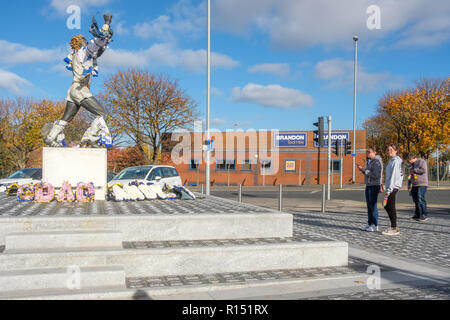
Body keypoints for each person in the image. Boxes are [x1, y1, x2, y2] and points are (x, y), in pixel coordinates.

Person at [44, 14, 114, 148]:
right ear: (83, 43)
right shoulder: (83, 52)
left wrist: (107, 37)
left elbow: (98, 51)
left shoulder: (75, 55)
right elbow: (96, 43)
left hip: (72, 91)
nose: (88, 43)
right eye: (86, 41)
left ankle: (51, 137)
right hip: (81, 90)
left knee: (66, 118)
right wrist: (107, 24)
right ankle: (91, 137)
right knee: (102, 114)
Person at [357, 146, 383, 232]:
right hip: (368, 185)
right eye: (367, 152)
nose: (368, 153)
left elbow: (375, 175)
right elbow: (368, 173)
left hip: (374, 185)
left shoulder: (377, 162)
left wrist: (365, 171)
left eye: (369, 152)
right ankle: (369, 223)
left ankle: (375, 224)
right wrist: (362, 170)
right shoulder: (370, 161)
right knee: (369, 206)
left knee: (373, 205)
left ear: (375, 152)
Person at [382, 144, 404, 235]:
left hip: (393, 187)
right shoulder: (391, 161)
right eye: (388, 149)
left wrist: (389, 190)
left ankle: (394, 228)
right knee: (386, 206)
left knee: (390, 206)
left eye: (391, 149)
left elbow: (394, 177)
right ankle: (394, 226)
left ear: (396, 151)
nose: (389, 151)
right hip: (390, 187)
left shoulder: (395, 161)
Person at [407, 153, 429, 221]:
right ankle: (417, 214)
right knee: (416, 200)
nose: (409, 162)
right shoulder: (411, 165)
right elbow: (410, 175)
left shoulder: (421, 161)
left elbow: (423, 170)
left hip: (422, 184)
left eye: (409, 160)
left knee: (420, 199)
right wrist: (409, 184)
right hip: (414, 185)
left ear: (412, 158)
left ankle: (424, 215)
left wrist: (415, 170)